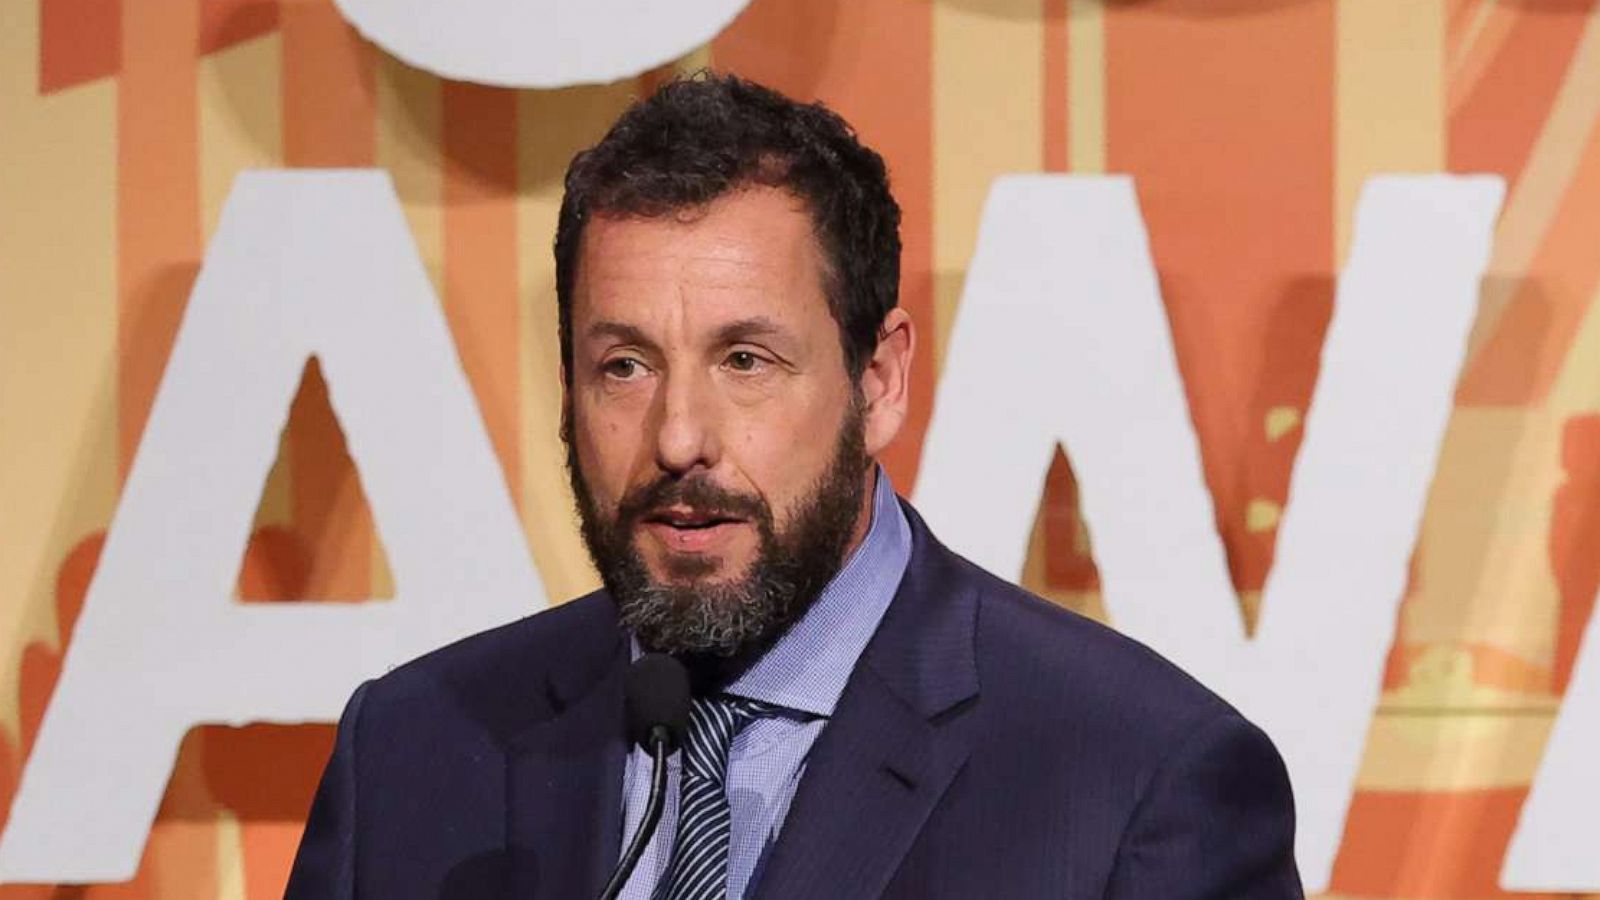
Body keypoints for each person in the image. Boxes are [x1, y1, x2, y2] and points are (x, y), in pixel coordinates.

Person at [286, 72, 1303, 899]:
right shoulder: (413, 752)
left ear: (880, 379)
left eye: (746, 362)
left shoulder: (1136, 782)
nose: (679, 440)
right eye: (624, 366)